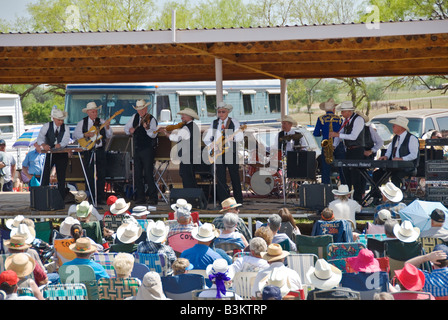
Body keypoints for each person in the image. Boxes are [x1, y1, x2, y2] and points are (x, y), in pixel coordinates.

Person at [203, 102, 244, 205]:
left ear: (228, 112)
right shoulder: (214, 123)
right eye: (219, 112)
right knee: (220, 177)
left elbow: (240, 137)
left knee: (234, 176)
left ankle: (238, 200)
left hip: (230, 152)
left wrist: (232, 137)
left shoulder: (234, 122)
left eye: (223, 112)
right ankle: (224, 201)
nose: (220, 114)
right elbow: (206, 138)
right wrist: (212, 144)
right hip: (218, 153)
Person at [73, 102, 113, 205]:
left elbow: (109, 135)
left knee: (102, 174)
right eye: (92, 111)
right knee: (89, 175)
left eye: (95, 111)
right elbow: (75, 135)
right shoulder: (82, 123)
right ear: (88, 112)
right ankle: (90, 197)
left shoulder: (102, 122)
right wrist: (85, 134)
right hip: (88, 151)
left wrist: (107, 127)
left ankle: (100, 198)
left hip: (100, 151)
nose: (95, 113)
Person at [329, 101, 365, 203]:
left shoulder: (358, 120)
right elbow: (339, 134)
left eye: (343, 112)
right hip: (348, 150)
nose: (342, 114)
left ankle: (358, 201)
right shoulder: (346, 121)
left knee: (356, 176)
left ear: (349, 111)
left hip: (357, 150)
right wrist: (333, 146)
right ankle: (346, 199)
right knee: (347, 175)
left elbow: (353, 136)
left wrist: (337, 135)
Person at [124, 99, 159, 205]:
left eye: (142, 109)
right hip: (137, 149)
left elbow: (154, 134)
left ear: (146, 108)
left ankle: (153, 197)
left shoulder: (151, 119)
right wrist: (130, 130)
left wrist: (147, 128)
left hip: (147, 150)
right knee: (137, 174)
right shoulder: (134, 117)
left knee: (148, 174)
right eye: (138, 110)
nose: (140, 112)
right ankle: (140, 197)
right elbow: (126, 128)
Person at [374, 115, 419, 194]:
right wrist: (386, 156)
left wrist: (401, 159)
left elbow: (414, 155)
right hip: (394, 166)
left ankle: (395, 198)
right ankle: (376, 196)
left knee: (396, 176)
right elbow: (389, 151)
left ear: (401, 127)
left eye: (394, 125)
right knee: (377, 174)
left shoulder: (412, 138)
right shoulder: (395, 138)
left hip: (407, 168)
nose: (392, 127)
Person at [35, 108, 71, 200]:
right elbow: (40, 138)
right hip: (49, 153)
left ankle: (61, 198)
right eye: (59, 120)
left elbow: (66, 140)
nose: (60, 122)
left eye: (62, 120)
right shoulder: (47, 126)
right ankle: (43, 196)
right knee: (46, 173)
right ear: (54, 119)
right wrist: (43, 145)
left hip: (61, 153)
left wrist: (60, 145)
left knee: (61, 176)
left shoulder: (66, 127)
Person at [162, 108, 201, 188]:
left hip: (186, 156)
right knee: (191, 177)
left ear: (189, 117)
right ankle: (192, 195)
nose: (182, 117)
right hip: (193, 156)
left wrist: (167, 134)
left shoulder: (186, 128)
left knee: (186, 176)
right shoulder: (194, 126)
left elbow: (176, 138)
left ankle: (188, 195)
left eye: (184, 115)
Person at [313, 98, 343, 184]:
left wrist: (324, 133)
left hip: (326, 145)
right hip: (338, 145)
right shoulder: (339, 119)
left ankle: (326, 189)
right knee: (342, 167)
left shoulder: (321, 119)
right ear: (334, 109)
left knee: (325, 169)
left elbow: (316, 133)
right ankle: (343, 186)